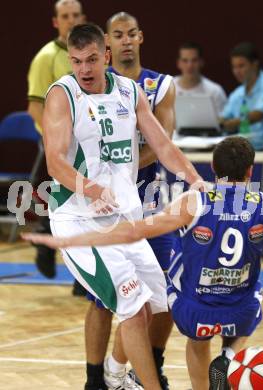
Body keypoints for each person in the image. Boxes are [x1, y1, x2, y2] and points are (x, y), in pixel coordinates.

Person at [24, 136, 263, 390]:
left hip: (194, 310)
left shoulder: (193, 200)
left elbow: (134, 231)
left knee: (186, 327)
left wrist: (67, 240)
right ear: (249, 172)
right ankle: (230, 355)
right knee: (253, 295)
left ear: (213, 171)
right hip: (240, 310)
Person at [33, 22, 203, 390]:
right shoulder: (63, 95)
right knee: (130, 305)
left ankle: (113, 373)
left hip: (124, 219)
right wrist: (92, 189)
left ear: (105, 56)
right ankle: (142, 385)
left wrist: (195, 178)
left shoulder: (129, 91)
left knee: (155, 304)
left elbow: (162, 145)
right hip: (78, 221)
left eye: (92, 60)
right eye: (77, 62)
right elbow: (55, 163)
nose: (85, 70)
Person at [83, 11, 175, 390]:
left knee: (166, 292)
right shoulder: (91, 87)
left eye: (130, 34)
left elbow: (162, 142)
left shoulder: (160, 84)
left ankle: (148, 368)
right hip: (107, 207)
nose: (124, 40)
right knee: (105, 300)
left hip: (151, 200)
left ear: (140, 37)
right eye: (117, 35)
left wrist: (126, 163)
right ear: (107, 42)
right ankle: (95, 380)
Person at [27, 0, 86, 295]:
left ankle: (82, 278)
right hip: (60, 144)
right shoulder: (46, 58)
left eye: (76, 15)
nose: (71, 20)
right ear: (55, 22)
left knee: (87, 211)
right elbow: (35, 106)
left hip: (88, 143)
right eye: (65, 16)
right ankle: (45, 242)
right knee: (65, 207)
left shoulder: (92, 53)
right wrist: (53, 138)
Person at [220, 42, 263, 151]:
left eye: (241, 66)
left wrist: (230, 123)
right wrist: (220, 122)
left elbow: (258, 114)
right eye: (234, 67)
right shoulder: (237, 93)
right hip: (243, 152)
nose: (237, 71)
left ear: (255, 64)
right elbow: (223, 118)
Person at [174, 42, 227, 115]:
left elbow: (223, 123)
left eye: (194, 60)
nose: (190, 65)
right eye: (185, 60)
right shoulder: (167, 88)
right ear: (178, 63)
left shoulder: (215, 91)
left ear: (201, 62)